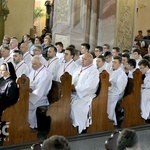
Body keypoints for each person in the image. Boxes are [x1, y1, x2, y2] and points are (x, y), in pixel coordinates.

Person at [70, 53, 99, 134]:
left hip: (86, 96)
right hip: (75, 93)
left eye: (84, 59)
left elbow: (90, 86)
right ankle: (68, 125)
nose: (82, 60)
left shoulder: (94, 71)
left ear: (90, 61)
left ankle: (78, 127)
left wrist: (75, 88)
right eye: (82, 58)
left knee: (75, 107)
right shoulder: (79, 68)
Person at [28, 55, 52, 129]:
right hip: (32, 94)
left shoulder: (45, 73)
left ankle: (31, 127)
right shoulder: (34, 70)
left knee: (25, 105)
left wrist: (29, 97)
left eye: (34, 64)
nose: (32, 65)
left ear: (41, 64)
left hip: (40, 98)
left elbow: (40, 90)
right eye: (32, 63)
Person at [107, 56, 127, 126]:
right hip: (111, 91)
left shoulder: (122, 74)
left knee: (108, 100)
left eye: (115, 62)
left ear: (120, 64)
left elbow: (119, 89)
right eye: (112, 62)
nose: (113, 64)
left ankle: (109, 121)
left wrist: (109, 88)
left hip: (117, 93)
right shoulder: (113, 71)